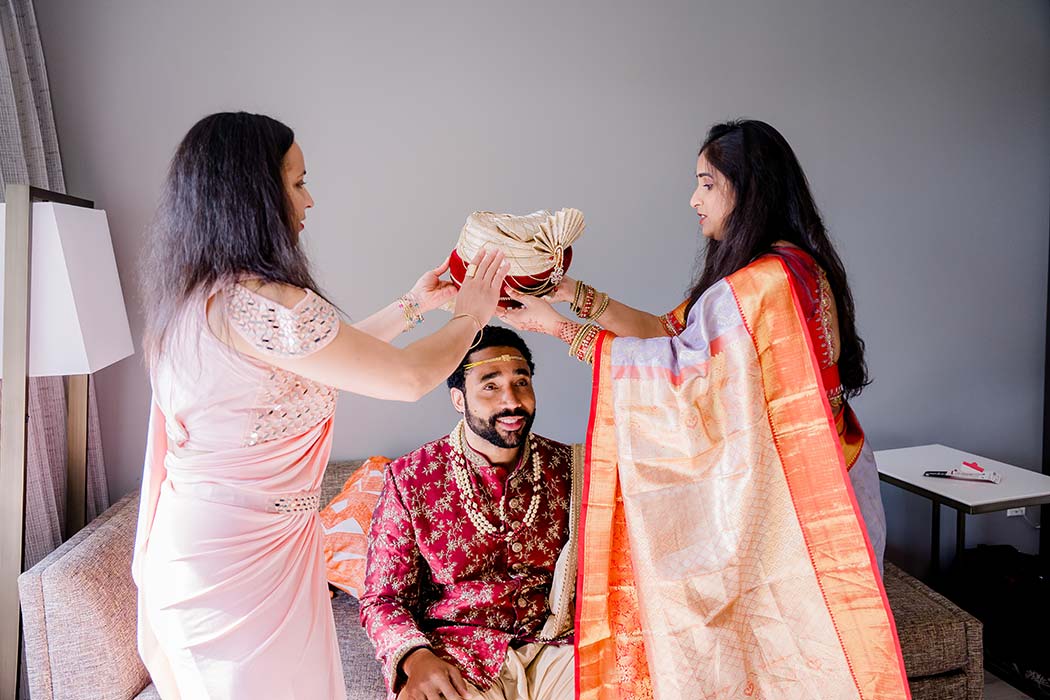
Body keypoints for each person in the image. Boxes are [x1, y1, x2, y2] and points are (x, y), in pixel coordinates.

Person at [501, 120, 909, 699]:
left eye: (706, 184)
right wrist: (573, 295)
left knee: (783, 661)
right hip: (831, 479)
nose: (694, 200)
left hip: (788, 505)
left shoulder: (761, 285)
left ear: (748, 188)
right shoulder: (792, 269)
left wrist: (561, 331)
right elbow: (673, 336)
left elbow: (684, 379)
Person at [133, 111, 508, 700]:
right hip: (236, 569)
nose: (309, 199)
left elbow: (317, 363)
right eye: (299, 181)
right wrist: (472, 316)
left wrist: (414, 305)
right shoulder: (263, 304)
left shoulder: (194, 302)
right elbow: (409, 378)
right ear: (256, 193)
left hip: (215, 551)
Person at [360, 326, 579, 700]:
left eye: (521, 382)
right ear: (459, 399)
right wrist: (415, 657)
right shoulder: (412, 478)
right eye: (490, 386)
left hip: (558, 647)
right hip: (458, 657)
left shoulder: (573, 468)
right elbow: (383, 598)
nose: (512, 401)